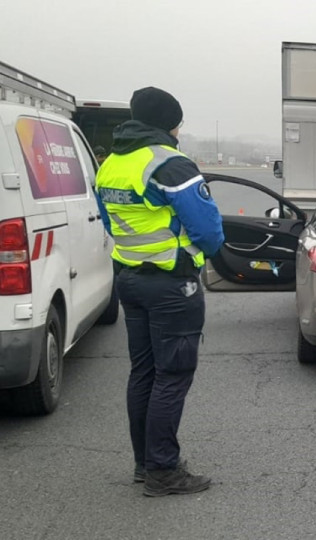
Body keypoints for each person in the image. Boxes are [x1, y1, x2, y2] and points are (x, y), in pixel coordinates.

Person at [94, 87, 224, 495]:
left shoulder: (111, 164)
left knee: (144, 373)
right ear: (170, 123)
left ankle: (144, 463)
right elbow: (207, 230)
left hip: (130, 280)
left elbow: (109, 221)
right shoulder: (171, 164)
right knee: (173, 375)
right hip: (172, 283)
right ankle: (163, 471)